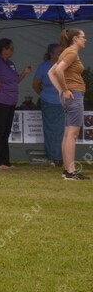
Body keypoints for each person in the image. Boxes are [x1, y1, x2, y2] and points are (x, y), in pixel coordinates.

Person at [0, 39, 33, 168]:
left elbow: (16, 80)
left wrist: (25, 72)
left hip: (10, 101)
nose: (12, 51)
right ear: (4, 49)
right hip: (0, 100)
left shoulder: (10, 63)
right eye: (11, 48)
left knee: (6, 131)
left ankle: (5, 160)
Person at [48, 29, 89, 180]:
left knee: (67, 134)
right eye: (83, 37)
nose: (85, 39)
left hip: (70, 96)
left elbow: (51, 72)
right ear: (75, 39)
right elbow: (58, 70)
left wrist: (61, 90)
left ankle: (67, 170)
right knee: (73, 134)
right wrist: (64, 90)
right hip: (74, 95)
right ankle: (71, 171)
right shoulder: (71, 53)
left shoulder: (66, 52)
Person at [32, 43, 64, 165]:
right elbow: (35, 85)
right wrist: (43, 95)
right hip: (48, 103)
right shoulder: (43, 67)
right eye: (59, 53)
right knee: (50, 129)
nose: (62, 55)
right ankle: (53, 156)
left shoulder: (65, 65)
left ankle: (58, 156)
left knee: (60, 129)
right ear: (51, 54)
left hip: (63, 103)